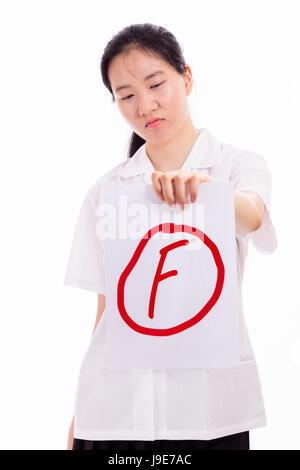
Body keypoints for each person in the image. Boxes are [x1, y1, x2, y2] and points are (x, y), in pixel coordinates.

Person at [64, 23, 277, 451]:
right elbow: (109, 313)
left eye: (156, 83)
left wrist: (204, 190)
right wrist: (78, 417)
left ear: (187, 78)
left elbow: (253, 215)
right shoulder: (107, 191)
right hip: (115, 417)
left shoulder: (235, 167)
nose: (145, 105)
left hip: (209, 415)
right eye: (126, 95)